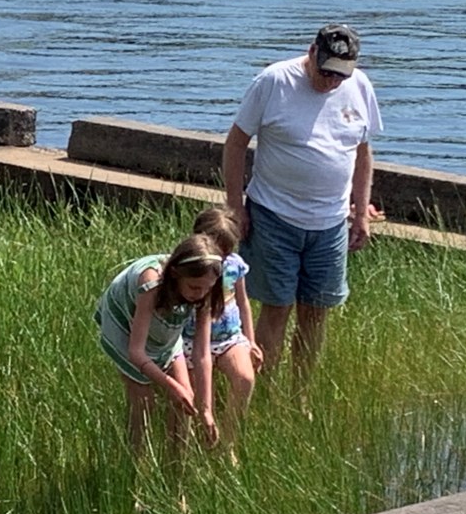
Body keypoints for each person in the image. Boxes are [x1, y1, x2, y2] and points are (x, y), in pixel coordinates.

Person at [222, 23, 383, 396]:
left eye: (339, 76)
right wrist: (236, 207)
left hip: (330, 224)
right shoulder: (273, 81)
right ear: (311, 52)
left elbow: (363, 152)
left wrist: (360, 212)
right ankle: (261, 393)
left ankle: (300, 397)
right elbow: (235, 144)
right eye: (325, 71)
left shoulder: (358, 86)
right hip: (273, 215)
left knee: (316, 313)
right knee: (276, 308)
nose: (331, 82)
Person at [95, 233, 225, 455]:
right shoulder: (152, 283)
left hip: (164, 331)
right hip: (126, 327)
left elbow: (202, 354)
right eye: (194, 287)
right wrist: (171, 386)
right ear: (175, 275)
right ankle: (135, 466)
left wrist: (206, 410)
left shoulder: (203, 291)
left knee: (187, 404)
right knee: (144, 402)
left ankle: (175, 475)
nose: (201, 294)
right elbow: (136, 352)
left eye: (207, 288)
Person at [181, 206, 264, 452]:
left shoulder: (235, 265)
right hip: (193, 339)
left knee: (245, 378)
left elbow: (243, 301)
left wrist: (250, 340)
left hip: (229, 336)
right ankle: (200, 438)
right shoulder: (193, 266)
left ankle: (228, 443)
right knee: (196, 394)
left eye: (228, 252)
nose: (223, 259)